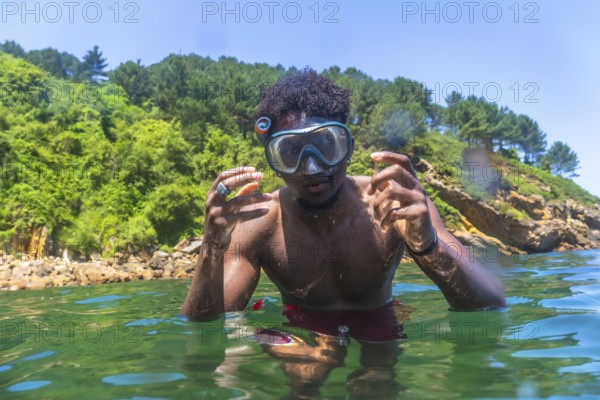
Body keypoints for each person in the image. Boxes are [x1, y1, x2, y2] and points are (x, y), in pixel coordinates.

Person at [182, 68, 505, 323]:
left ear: (347, 148)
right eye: (290, 152)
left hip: (379, 321)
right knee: (301, 377)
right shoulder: (260, 223)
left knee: (378, 382)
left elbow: (490, 303)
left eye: (326, 145)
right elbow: (206, 325)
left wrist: (428, 245)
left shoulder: (394, 203)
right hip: (302, 329)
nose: (311, 168)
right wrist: (211, 248)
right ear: (274, 163)